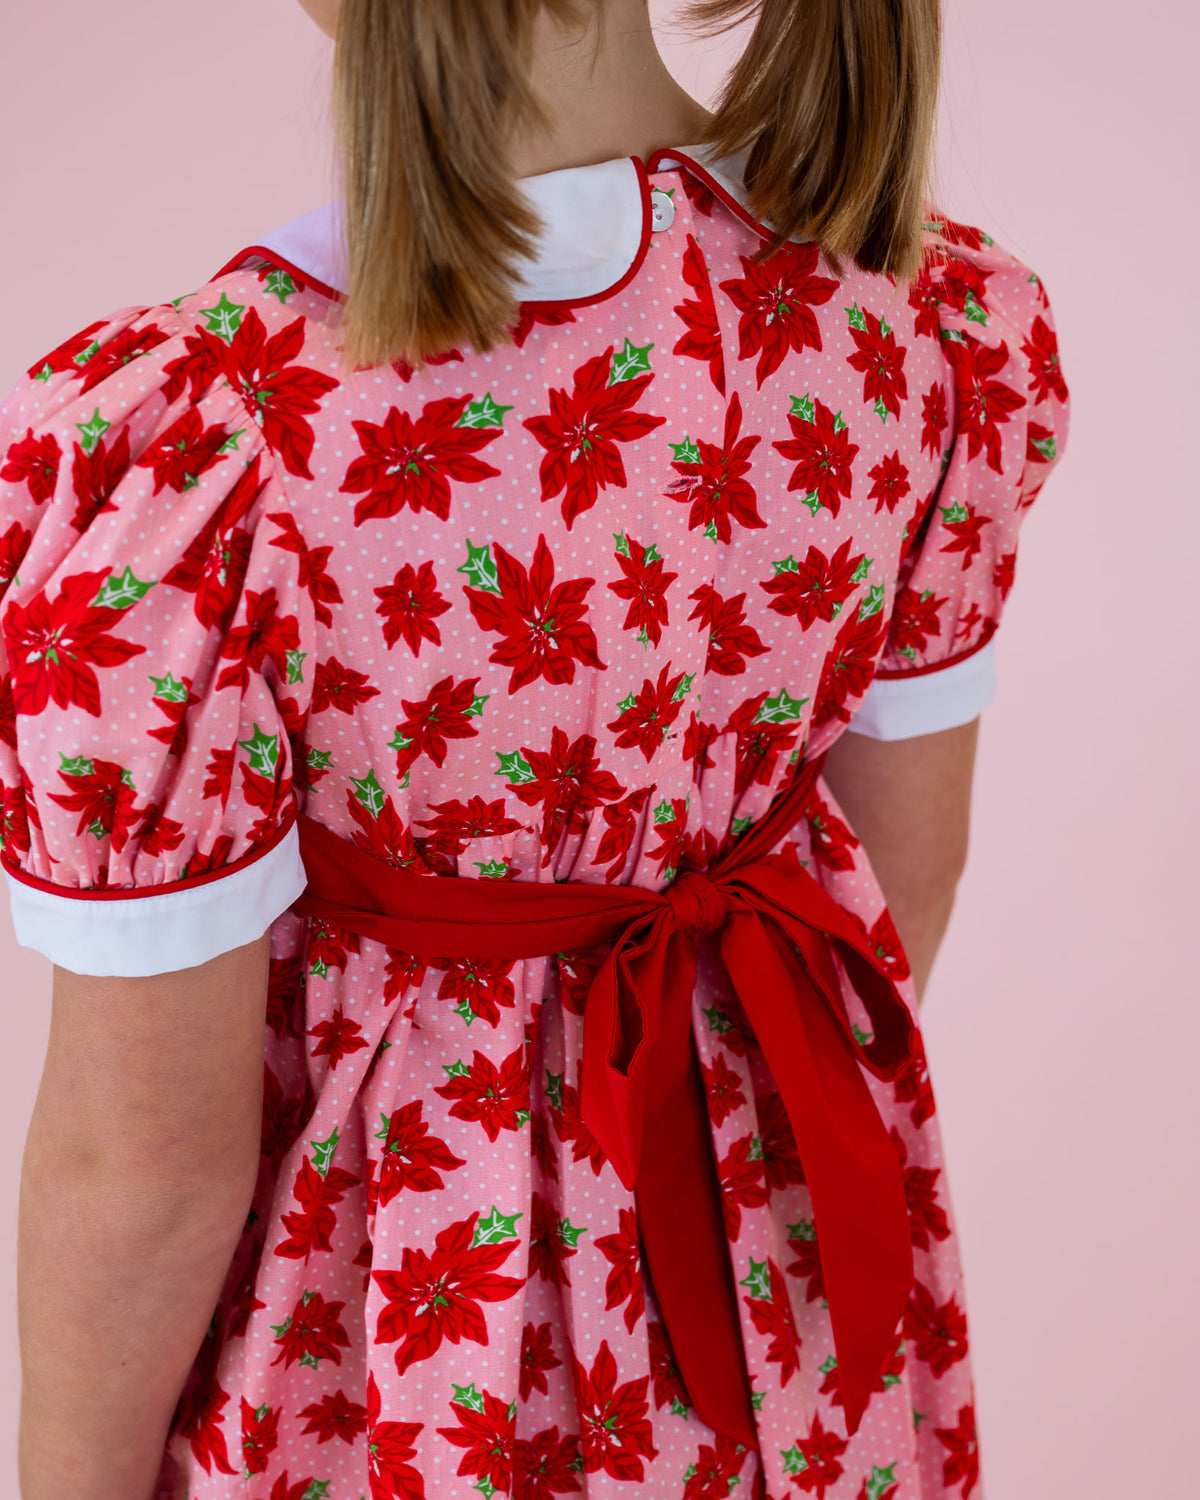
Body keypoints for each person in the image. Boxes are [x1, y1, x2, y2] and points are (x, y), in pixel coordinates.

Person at [0, 0, 1069, 1496]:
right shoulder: (921, 318)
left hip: (401, 1334)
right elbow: (900, 877)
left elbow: (147, 1173)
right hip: (784, 1279)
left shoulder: (210, 443)